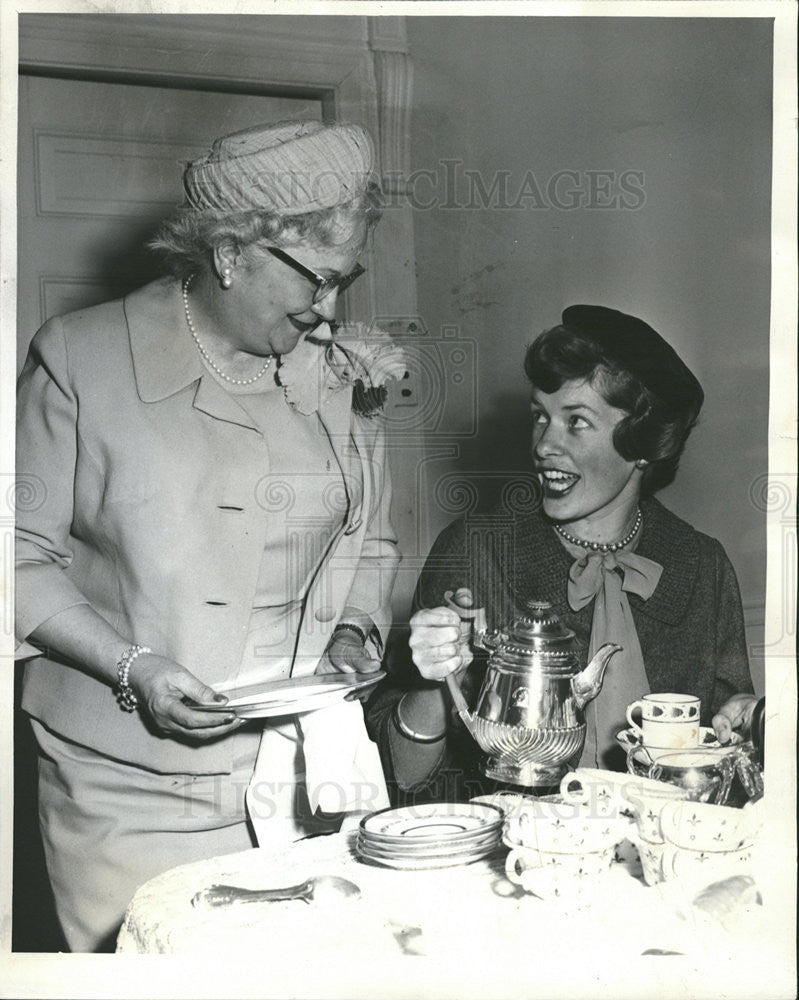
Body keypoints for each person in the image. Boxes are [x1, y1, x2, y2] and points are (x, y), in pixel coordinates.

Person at [15, 120, 400, 951]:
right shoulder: (81, 358)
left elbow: (371, 542)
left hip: (308, 774)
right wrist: (137, 669)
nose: (330, 310)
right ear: (230, 252)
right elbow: (16, 555)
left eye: (345, 280)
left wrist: (354, 629)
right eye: (316, 281)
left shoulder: (333, 371)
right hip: (129, 787)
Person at [366, 305, 758, 802]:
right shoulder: (476, 548)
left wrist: (748, 725)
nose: (544, 444)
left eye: (576, 422)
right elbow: (403, 774)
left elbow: (729, 759)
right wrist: (432, 680)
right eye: (541, 416)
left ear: (642, 443)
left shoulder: (701, 566)